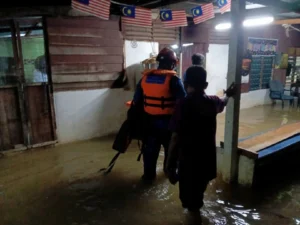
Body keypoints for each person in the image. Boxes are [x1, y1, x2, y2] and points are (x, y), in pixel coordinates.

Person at [166, 66, 236, 212]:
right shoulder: (212, 102)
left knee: (187, 200)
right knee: (198, 195)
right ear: (205, 86)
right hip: (207, 159)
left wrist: (169, 164)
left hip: (188, 160)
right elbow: (223, 101)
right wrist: (229, 94)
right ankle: (196, 214)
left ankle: (193, 218)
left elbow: (175, 137)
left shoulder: (183, 105)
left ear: (185, 84)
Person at [132, 47, 186, 181]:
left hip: (149, 123)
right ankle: (168, 174)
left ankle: (148, 177)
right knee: (171, 152)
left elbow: (136, 101)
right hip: (168, 124)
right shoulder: (174, 80)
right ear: (173, 63)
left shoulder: (144, 78)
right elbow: (183, 104)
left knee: (149, 152)